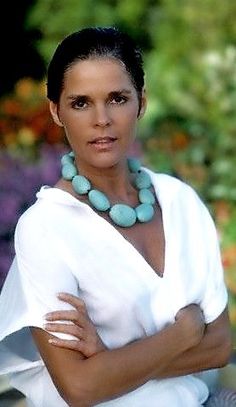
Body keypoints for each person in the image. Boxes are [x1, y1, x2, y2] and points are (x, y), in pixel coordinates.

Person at [0, 27, 233, 407]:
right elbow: (80, 388)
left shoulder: (181, 201)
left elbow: (220, 345)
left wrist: (110, 361)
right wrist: (184, 334)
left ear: (140, 103)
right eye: (80, 103)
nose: (102, 119)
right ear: (56, 112)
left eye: (117, 98)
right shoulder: (44, 228)